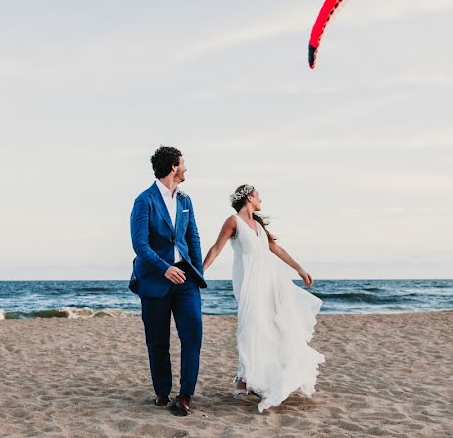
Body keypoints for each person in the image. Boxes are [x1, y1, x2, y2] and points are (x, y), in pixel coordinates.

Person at [202, 184, 324, 413]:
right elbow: (216, 248)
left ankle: (256, 377)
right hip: (248, 283)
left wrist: (299, 268)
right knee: (249, 328)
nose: (261, 200)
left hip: (268, 283)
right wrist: (200, 272)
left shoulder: (258, 225)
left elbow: (275, 249)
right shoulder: (233, 221)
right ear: (249, 197)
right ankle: (242, 378)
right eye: (258, 196)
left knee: (269, 329)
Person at [128, 146, 207, 416]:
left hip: (185, 279)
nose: (186, 167)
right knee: (158, 340)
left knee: (193, 334)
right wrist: (164, 268)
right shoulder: (144, 200)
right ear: (174, 167)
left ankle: (185, 395)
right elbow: (140, 244)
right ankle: (162, 393)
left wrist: (197, 273)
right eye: (183, 163)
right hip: (154, 280)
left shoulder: (185, 201)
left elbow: (192, 238)